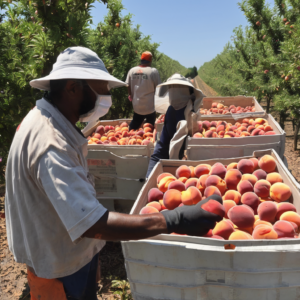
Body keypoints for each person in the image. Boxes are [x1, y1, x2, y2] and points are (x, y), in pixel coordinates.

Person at [5, 47, 221, 300]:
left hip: (66, 248)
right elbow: (92, 223)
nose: (106, 97)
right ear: (73, 88)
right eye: (101, 89)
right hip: (59, 264)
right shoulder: (51, 144)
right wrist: (173, 219)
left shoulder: (45, 120)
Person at [146, 73, 204, 177]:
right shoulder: (171, 111)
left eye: (178, 89)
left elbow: (196, 149)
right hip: (173, 168)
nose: (174, 94)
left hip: (191, 168)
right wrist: (150, 175)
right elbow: (162, 145)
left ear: (187, 91)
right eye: (171, 89)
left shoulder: (192, 114)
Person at [126, 51, 161, 130]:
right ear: (150, 60)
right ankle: (148, 139)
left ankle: (129, 136)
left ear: (141, 59)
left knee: (135, 124)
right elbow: (158, 87)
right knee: (149, 127)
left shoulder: (132, 70)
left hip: (137, 105)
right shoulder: (153, 71)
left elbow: (127, 84)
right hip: (150, 105)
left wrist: (130, 95)